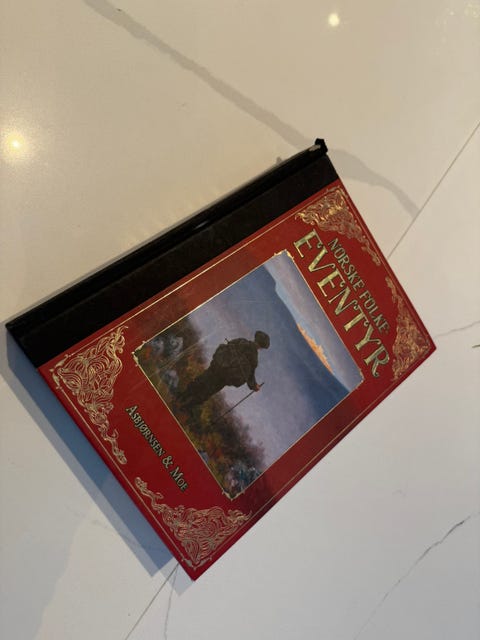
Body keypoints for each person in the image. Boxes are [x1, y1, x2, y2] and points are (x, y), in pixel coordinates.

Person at [179, 330, 270, 407]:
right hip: (225, 378)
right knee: (207, 393)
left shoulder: (242, 341)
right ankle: (185, 407)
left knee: (200, 381)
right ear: (261, 347)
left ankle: (181, 397)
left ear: (255, 339)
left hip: (217, 367)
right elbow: (250, 376)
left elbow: (227, 347)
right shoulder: (254, 359)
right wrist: (254, 386)